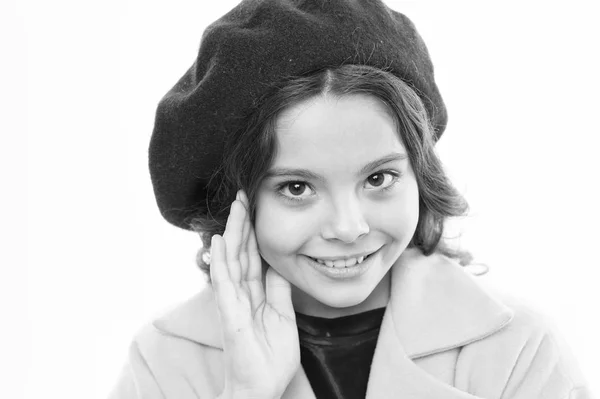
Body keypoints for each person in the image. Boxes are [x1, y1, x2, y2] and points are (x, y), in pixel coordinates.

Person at [109, 0, 592, 398]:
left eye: (379, 178)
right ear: (233, 204)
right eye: (296, 188)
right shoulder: (164, 362)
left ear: (420, 175)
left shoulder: (519, 348)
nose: (349, 226)